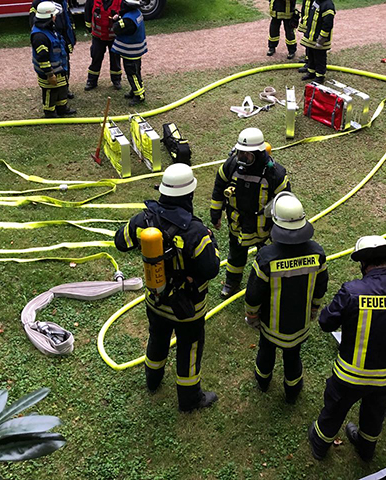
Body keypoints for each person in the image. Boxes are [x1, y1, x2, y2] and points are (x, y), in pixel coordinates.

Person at [113, 163, 221, 412]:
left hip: (156, 300)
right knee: (189, 349)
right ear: (189, 195)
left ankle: (152, 380)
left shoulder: (145, 220)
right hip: (188, 308)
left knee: (158, 338)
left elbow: (121, 241)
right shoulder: (195, 232)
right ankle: (190, 399)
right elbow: (211, 269)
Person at [308, 236, 386, 462]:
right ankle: (366, 449)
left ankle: (320, 443)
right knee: (375, 414)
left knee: (335, 410)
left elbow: (326, 323)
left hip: (351, 375)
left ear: (363, 263)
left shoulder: (352, 291)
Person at [244, 193, 328, 403]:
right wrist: (314, 309)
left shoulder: (266, 258)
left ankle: (263, 382)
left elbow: (254, 294)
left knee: (266, 352)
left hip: (271, 327)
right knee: (293, 358)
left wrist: (252, 315)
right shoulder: (317, 253)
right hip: (299, 325)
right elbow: (320, 287)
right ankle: (292, 391)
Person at [210, 127, 291, 298]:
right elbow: (219, 188)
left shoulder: (275, 173)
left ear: (259, 153)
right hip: (237, 224)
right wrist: (215, 214)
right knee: (235, 256)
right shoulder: (231, 165)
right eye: (240, 152)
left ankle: (266, 284)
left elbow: (285, 201)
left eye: (247, 155)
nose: (242, 158)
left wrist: (281, 230)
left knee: (267, 257)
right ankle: (232, 281)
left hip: (264, 228)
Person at [30, 0, 76, 99]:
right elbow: (33, 19)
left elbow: (68, 17)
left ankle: (64, 89)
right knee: (52, 63)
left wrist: (71, 36)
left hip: (62, 36)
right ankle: (54, 91)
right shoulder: (39, 0)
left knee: (64, 63)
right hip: (49, 37)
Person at [30, 1, 76, 118]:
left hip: (59, 68)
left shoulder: (49, 28)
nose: (56, 17)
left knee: (62, 89)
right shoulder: (39, 36)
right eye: (54, 15)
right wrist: (50, 74)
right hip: (49, 72)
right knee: (51, 91)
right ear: (49, 17)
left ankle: (62, 108)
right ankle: (50, 112)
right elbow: (42, 58)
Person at [83, 0, 123, 91]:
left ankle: (116, 81)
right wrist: (89, 27)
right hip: (98, 36)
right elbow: (87, 11)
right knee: (96, 58)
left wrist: (118, 18)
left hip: (113, 36)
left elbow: (123, 14)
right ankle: (92, 81)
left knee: (115, 59)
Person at [111, 0, 147, 106]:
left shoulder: (128, 20)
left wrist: (116, 20)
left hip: (131, 53)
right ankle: (135, 90)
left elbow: (117, 29)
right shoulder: (136, 13)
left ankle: (139, 95)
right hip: (137, 51)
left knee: (132, 73)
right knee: (137, 72)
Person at [299, 0, 335, 84]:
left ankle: (319, 76)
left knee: (319, 57)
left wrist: (321, 40)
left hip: (319, 38)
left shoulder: (328, 6)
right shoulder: (317, 0)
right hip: (312, 35)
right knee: (311, 54)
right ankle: (311, 72)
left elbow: (327, 25)